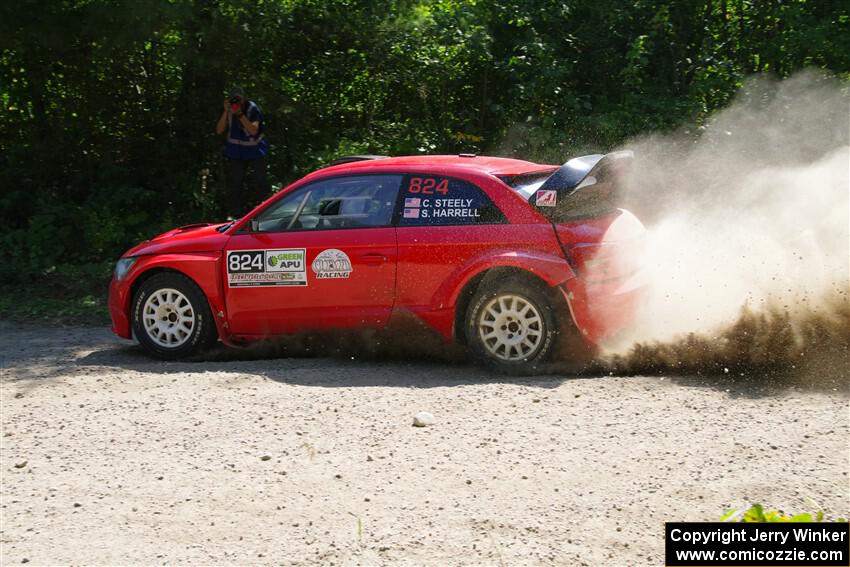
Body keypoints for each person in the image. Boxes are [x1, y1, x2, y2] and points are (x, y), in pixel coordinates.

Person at [216, 87, 270, 217]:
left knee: (260, 181)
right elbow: (219, 130)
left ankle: (266, 213)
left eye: (238, 99)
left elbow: (253, 130)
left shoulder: (252, 109)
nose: (236, 102)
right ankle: (235, 214)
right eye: (234, 99)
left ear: (244, 98)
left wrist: (240, 114)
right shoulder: (229, 110)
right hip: (236, 151)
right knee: (235, 183)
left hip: (255, 150)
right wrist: (226, 111)